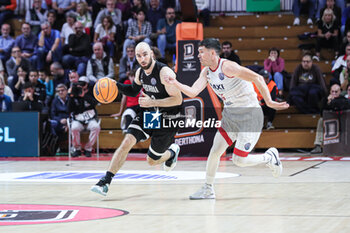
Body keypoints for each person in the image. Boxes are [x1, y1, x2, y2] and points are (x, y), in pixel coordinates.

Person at [163, 38, 289, 199]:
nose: (198, 56)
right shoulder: (206, 72)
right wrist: (175, 82)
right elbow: (193, 92)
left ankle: (269, 158)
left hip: (250, 115)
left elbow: (257, 78)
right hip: (231, 115)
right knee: (215, 151)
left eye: (201, 52)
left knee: (239, 160)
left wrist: (270, 102)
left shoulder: (228, 66)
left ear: (212, 53)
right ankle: (208, 189)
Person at [91, 42, 182, 196]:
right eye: (139, 56)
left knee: (152, 160)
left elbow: (178, 100)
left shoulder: (164, 73)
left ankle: (172, 153)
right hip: (151, 114)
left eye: (145, 54)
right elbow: (133, 91)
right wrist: (115, 85)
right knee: (127, 141)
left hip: (169, 117)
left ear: (151, 54)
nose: (142, 58)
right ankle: (105, 181)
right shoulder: (140, 72)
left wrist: (152, 102)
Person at [311, 83, 349, 154]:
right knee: (320, 120)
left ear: (340, 92)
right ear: (330, 91)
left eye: (336, 92)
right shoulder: (325, 100)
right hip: (330, 121)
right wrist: (328, 103)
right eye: (332, 91)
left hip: (341, 121)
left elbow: (341, 106)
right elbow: (322, 113)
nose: (334, 93)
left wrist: (332, 102)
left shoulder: (344, 100)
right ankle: (318, 145)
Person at [67, 76, 100, 157]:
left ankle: (88, 149)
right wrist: (71, 96)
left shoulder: (91, 92)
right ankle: (77, 149)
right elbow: (69, 109)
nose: (81, 85)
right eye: (80, 83)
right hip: (78, 119)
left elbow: (94, 102)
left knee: (96, 127)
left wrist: (84, 95)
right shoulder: (74, 93)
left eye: (83, 84)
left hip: (90, 119)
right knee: (74, 128)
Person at [111, 69, 140, 133]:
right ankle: (127, 131)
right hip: (130, 106)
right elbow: (124, 98)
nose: (132, 78)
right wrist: (120, 112)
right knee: (128, 115)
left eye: (134, 76)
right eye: (131, 76)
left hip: (140, 105)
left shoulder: (141, 83)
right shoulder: (127, 83)